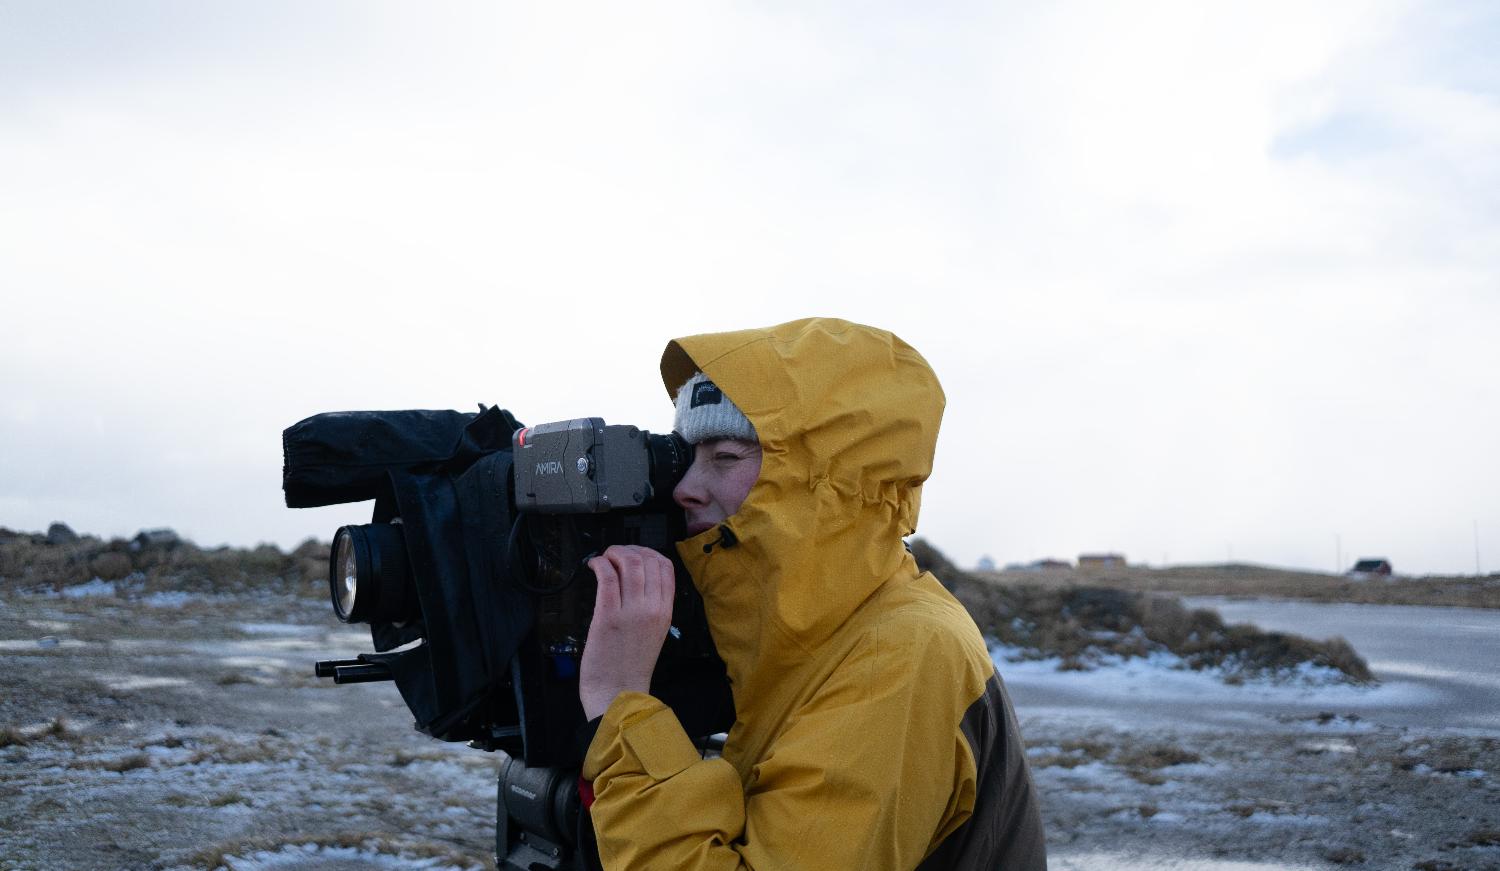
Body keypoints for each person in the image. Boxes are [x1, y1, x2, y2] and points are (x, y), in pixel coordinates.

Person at [577, 318, 1047, 870]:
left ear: (827, 478)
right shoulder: (818, 635)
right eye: (689, 457)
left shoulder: (899, 656)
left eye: (724, 457)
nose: (684, 488)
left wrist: (620, 703)